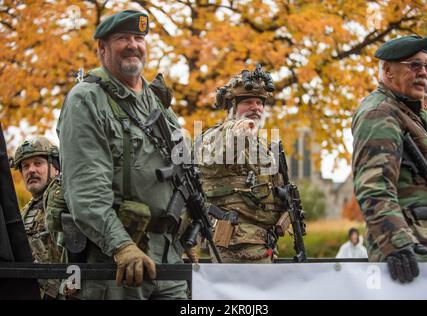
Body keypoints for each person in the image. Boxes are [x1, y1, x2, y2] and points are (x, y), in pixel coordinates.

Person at [57, 10, 190, 299]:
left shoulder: (157, 102)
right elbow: (85, 189)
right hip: (116, 265)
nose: (133, 44)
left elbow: (181, 171)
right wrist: (121, 245)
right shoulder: (87, 99)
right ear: (102, 48)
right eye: (122, 38)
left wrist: (187, 231)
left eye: (139, 38)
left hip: (168, 257)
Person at [352, 35, 427, 283]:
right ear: (387, 70)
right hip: (408, 257)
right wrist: (397, 243)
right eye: (414, 65)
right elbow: (374, 186)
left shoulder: (409, 114)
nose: (423, 73)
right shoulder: (380, 112)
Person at [196, 65, 290, 263]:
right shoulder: (216, 136)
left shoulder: (263, 145)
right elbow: (214, 156)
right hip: (234, 245)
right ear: (232, 108)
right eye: (247, 102)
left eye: (260, 102)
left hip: (264, 244)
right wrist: (237, 131)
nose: (256, 108)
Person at [11, 137, 62, 299]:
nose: (31, 170)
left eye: (38, 163)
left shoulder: (68, 200)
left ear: (55, 168)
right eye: (25, 166)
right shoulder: (22, 213)